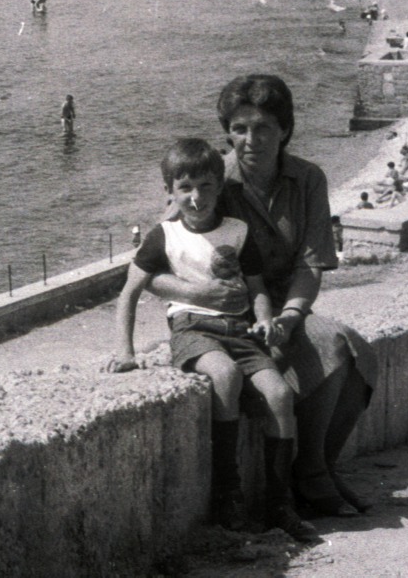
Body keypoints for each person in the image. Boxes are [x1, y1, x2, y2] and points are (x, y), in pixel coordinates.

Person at [148, 75, 377, 519]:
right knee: (331, 345)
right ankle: (312, 479)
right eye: (238, 129)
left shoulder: (308, 179)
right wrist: (199, 290)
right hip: (225, 313)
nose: (249, 140)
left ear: (285, 129)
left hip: (284, 304)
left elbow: (311, 263)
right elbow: (154, 266)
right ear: (227, 132)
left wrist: (290, 316)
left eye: (263, 128)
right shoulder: (212, 179)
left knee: (354, 354)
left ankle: (315, 470)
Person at [106, 139, 310, 536]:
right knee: (225, 376)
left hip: (240, 331)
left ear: (220, 186)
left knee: (281, 395)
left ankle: (279, 503)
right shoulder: (164, 236)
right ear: (170, 191)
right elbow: (128, 294)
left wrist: (265, 318)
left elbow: (258, 288)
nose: (196, 198)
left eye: (205, 186)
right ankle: (227, 495)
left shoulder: (237, 231)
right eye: (185, 189)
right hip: (192, 329)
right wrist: (125, 352)